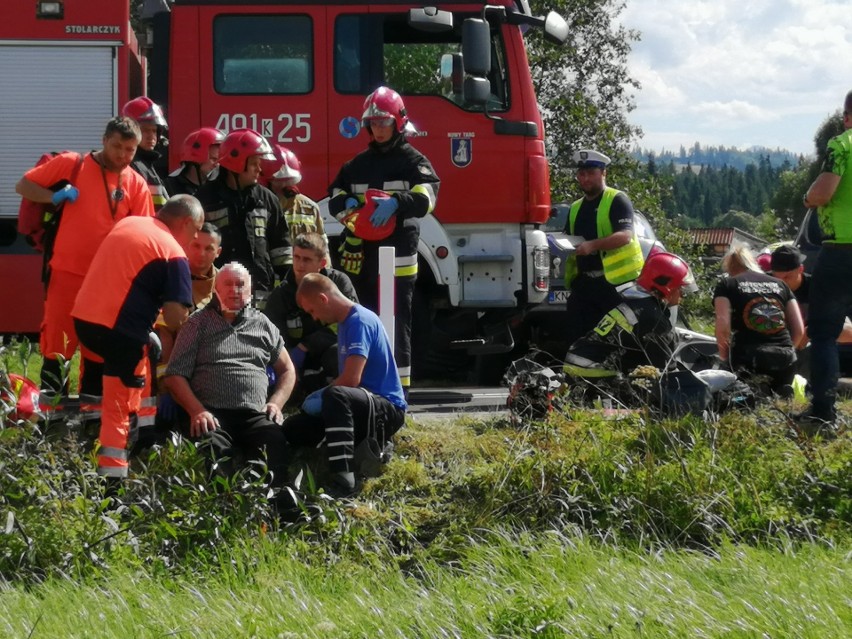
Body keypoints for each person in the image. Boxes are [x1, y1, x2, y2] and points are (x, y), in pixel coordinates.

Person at [15, 116, 154, 394]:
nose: (123, 155)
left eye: (130, 150)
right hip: (66, 274)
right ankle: (53, 420)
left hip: (108, 282)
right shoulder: (72, 164)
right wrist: (53, 197)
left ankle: (90, 419)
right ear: (104, 141)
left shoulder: (137, 184)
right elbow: (23, 186)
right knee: (57, 347)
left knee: (98, 351)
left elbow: (144, 232)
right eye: (117, 147)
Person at [71, 194, 203, 479]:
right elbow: (175, 317)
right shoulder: (173, 252)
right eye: (194, 232)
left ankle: (85, 446)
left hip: (85, 320)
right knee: (118, 408)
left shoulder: (129, 223)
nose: (192, 240)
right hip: (119, 333)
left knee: (101, 386)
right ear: (187, 222)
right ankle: (112, 481)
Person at [328, 86, 440, 392]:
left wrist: (397, 203)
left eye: (384, 122)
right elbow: (336, 195)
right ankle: (364, 385)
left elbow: (428, 195)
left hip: (399, 249)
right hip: (363, 251)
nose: (378, 129)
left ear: (398, 122)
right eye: (374, 123)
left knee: (395, 317)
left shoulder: (412, 160)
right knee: (362, 315)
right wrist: (350, 211)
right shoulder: (357, 165)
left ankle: (398, 391)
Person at [164, 262, 296, 490]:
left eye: (240, 285)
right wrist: (196, 411)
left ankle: (273, 507)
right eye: (228, 284)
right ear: (217, 289)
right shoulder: (197, 323)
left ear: (250, 291)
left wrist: (276, 403)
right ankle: (225, 509)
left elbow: (288, 370)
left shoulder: (263, 324)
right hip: (212, 414)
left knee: (274, 444)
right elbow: (175, 375)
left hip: (255, 414)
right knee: (214, 454)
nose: (234, 290)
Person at [282, 272, 407, 497]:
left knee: (336, 394)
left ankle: (345, 478)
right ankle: (351, 446)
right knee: (294, 427)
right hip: (359, 405)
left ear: (323, 299)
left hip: (386, 408)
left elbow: (351, 380)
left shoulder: (360, 321)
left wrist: (321, 396)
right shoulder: (344, 324)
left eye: (312, 310)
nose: (316, 318)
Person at [800, 89, 852, 428]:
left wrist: (808, 196)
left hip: (842, 251)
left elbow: (821, 193)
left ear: (847, 116)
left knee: (823, 333)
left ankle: (823, 412)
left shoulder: (842, 144)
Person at [194, 128, 291, 307]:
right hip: (218, 295)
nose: (260, 169)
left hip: (261, 296)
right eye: (254, 163)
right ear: (236, 164)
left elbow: (282, 251)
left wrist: (286, 289)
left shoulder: (267, 200)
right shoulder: (205, 199)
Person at [564, 252, 697, 378]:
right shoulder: (653, 318)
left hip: (576, 364)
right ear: (666, 287)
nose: (683, 295)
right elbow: (666, 368)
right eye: (680, 289)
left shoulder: (638, 304)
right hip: (593, 371)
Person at [562, 149, 645, 349]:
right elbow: (567, 237)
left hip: (615, 286)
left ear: (603, 173)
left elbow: (625, 236)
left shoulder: (617, 199)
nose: (585, 178)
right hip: (584, 285)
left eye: (591, 173)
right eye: (581, 174)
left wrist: (593, 245)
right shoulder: (575, 207)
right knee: (577, 339)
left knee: (616, 341)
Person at [264, 232, 358, 396]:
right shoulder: (282, 294)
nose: (300, 264)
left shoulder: (338, 283)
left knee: (337, 354)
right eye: (297, 257)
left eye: (306, 259)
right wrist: (287, 360)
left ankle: (338, 395)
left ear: (321, 263)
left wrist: (307, 345)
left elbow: (351, 323)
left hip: (330, 351)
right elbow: (272, 336)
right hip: (296, 360)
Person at [713, 246, 804, 396]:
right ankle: (779, 388)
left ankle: (754, 393)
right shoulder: (780, 284)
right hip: (785, 357)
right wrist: (787, 351)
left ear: (730, 268)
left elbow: (723, 325)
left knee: (734, 394)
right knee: (777, 392)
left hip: (748, 357)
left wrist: (724, 359)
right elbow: (799, 329)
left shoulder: (727, 284)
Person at [259, 144, 326, 260]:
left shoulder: (309, 207)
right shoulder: (257, 208)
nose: (285, 186)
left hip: (306, 274)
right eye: (279, 182)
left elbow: (323, 247)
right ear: (267, 182)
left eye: (290, 181)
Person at [122, 96, 170, 210]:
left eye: (154, 131)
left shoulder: (146, 164)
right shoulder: (131, 164)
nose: (151, 136)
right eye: (145, 130)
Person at [166, 127, 225, 197]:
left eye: (218, 160)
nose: (217, 165)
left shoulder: (218, 188)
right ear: (195, 157)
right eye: (213, 159)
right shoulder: (170, 187)